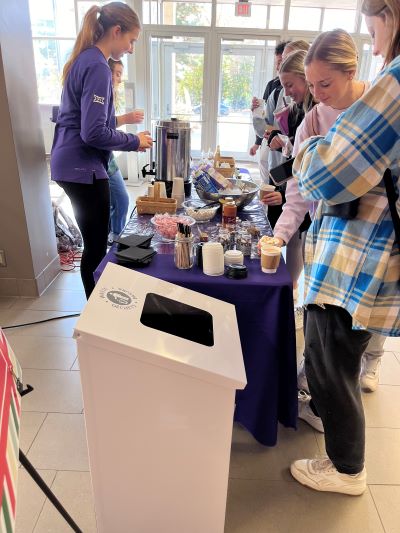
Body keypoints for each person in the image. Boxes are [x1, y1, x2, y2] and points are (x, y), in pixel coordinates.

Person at [290, 1, 400, 496]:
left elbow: (323, 174)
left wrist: (309, 148)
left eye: (374, 28)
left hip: (357, 258)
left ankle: (347, 469)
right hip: (348, 256)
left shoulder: (389, 86)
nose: (375, 40)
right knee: (328, 357)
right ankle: (342, 456)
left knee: (333, 360)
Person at [272, 29, 386, 398]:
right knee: (324, 330)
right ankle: (321, 397)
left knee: (361, 326)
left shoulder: (380, 107)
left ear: (351, 72)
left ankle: (361, 374)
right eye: (311, 84)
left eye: (326, 83)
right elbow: (298, 191)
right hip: (330, 238)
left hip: (376, 238)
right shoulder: (314, 120)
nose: (317, 94)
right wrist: (282, 234)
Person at [50, 2, 152, 298]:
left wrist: (129, 132)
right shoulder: (96, 65)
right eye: (131, 40)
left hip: (72, 164)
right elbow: (92, 132)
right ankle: (98, 313)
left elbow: (96, 121)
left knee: (94, 243)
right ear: (116, 31)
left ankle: (96, 308)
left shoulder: (86, 60)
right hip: (81, 167)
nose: (131, 48)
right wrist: (134, 142)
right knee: (95, 246)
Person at [261, 49, 313, 288]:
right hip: (298, 192)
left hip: (320, 203)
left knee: (302, 245)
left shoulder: (315, 114)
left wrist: (283, 194)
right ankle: (293, 293)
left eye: (290, 85)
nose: (287, 92)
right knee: (294, 240)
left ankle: (294, 295)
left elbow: (305, 169)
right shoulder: (302, 115)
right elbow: (300, 164)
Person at [107, 58, 144, 244]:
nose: (120, 79)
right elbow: (100, 133)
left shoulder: (109, 95)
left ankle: (114, 236)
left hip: (106, 160)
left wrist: (126, 120)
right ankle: (116, 239)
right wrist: (134, 141)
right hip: (98, 163)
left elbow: (107, 126)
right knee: (121, 199)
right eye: (117, 74)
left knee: (116, 201)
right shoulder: (98, 92)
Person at [249, 41, 289, 157]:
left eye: (280, 62)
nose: (277, 67)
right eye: (277, 63)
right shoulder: (273, 86)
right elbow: (266, 119)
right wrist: (257, 143)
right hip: (269, 144)